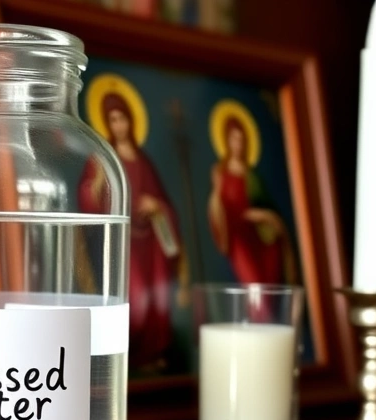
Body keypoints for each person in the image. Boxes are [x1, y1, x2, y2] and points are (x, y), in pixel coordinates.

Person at [79, 92, 189, 371]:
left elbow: (165, 206)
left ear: (131, 120)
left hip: (150, 241)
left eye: (123, 118)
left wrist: (157, 207)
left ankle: (150, 360)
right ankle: (132, 360)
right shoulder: (103, 158)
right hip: (124, 245)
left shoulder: (144, 160)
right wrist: (97, 185)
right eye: (113, 120)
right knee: (136, 299)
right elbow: (88, 202)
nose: (119, 125)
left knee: (157, 300)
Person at [208, 116, 295, 284]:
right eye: (234, 139)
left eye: (241, 139)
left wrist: (264, 215)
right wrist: (217, 191)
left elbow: (267, 206)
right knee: (253, 286)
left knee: (269, 286)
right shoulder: (220, 173)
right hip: (238, 237)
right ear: (227, 140)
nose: (238, 144)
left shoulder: (252, 176)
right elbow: (217, 209)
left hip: (260, 237)